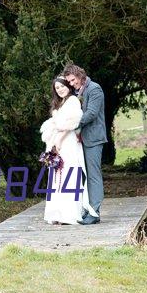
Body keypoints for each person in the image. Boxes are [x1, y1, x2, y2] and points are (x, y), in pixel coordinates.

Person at [40, 76, 97, 225]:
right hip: (56, 141)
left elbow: (72, 122)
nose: (60, 90)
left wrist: (59, 140)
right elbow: (55, 123)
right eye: (57, 88)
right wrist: (53, 142)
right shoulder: (59, 103)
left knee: (69, 174)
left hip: (68, 141)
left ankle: (69, 214)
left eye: (62, 86)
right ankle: (57, 213)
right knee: (57, 175)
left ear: (68, 86)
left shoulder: (73, 100)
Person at [61, 63, 107, 225]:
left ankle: (95, 212)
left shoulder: (94, 89)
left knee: (93, 176)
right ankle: (86, 209)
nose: (72, 84)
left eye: (73, 80)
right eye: (69, 82)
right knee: (83, 176)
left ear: (80, 75)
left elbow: (92, 114)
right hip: (80, 140)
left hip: (93, 139)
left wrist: (70, 125)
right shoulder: (77, 91)